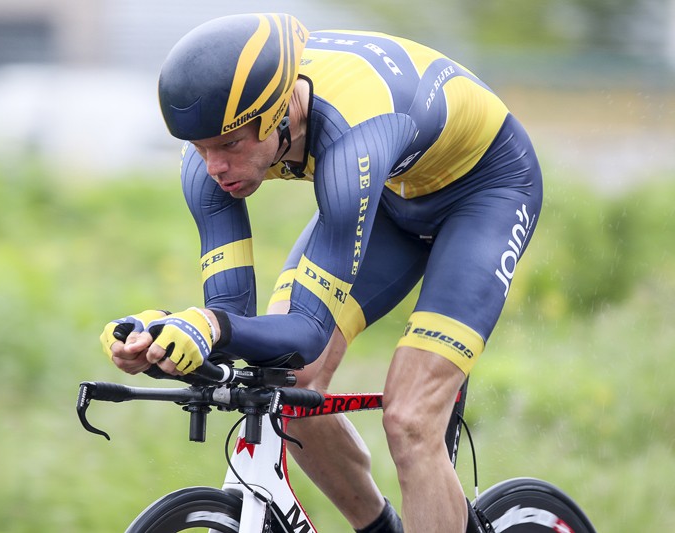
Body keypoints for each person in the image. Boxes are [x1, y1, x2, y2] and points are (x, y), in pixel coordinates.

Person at [99, 13, 542, 533]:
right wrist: (165, 335)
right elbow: (234, 321)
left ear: (282, 113)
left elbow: (306, 332)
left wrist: (213, 328)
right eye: (201, 148)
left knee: (411, 421)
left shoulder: (349, 141)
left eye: (230, 146)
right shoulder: (208, 161)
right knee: (294, 384)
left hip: (485, 192)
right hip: (392, 199)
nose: (213, 166)